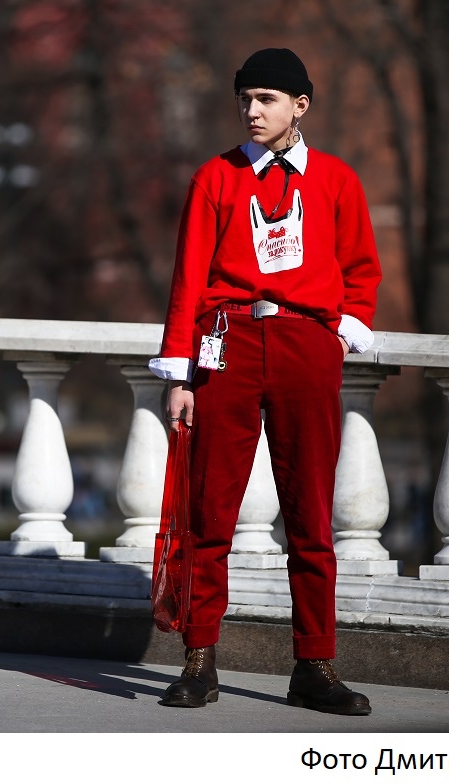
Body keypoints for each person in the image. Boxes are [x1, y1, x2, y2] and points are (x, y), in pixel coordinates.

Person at [148, 47, 381, 716]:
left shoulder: (336, 180)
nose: (252, 111)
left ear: (299, 106)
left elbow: (362, 268)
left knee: (311, 516)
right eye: (245, 99)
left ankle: (315, 665)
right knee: (209, 511)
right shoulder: (215, 179)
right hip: (228, 342)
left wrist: (342, 334)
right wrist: (182, 371)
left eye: (267, 100)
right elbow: (187, 276)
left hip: (307, 344)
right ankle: (199, 659)